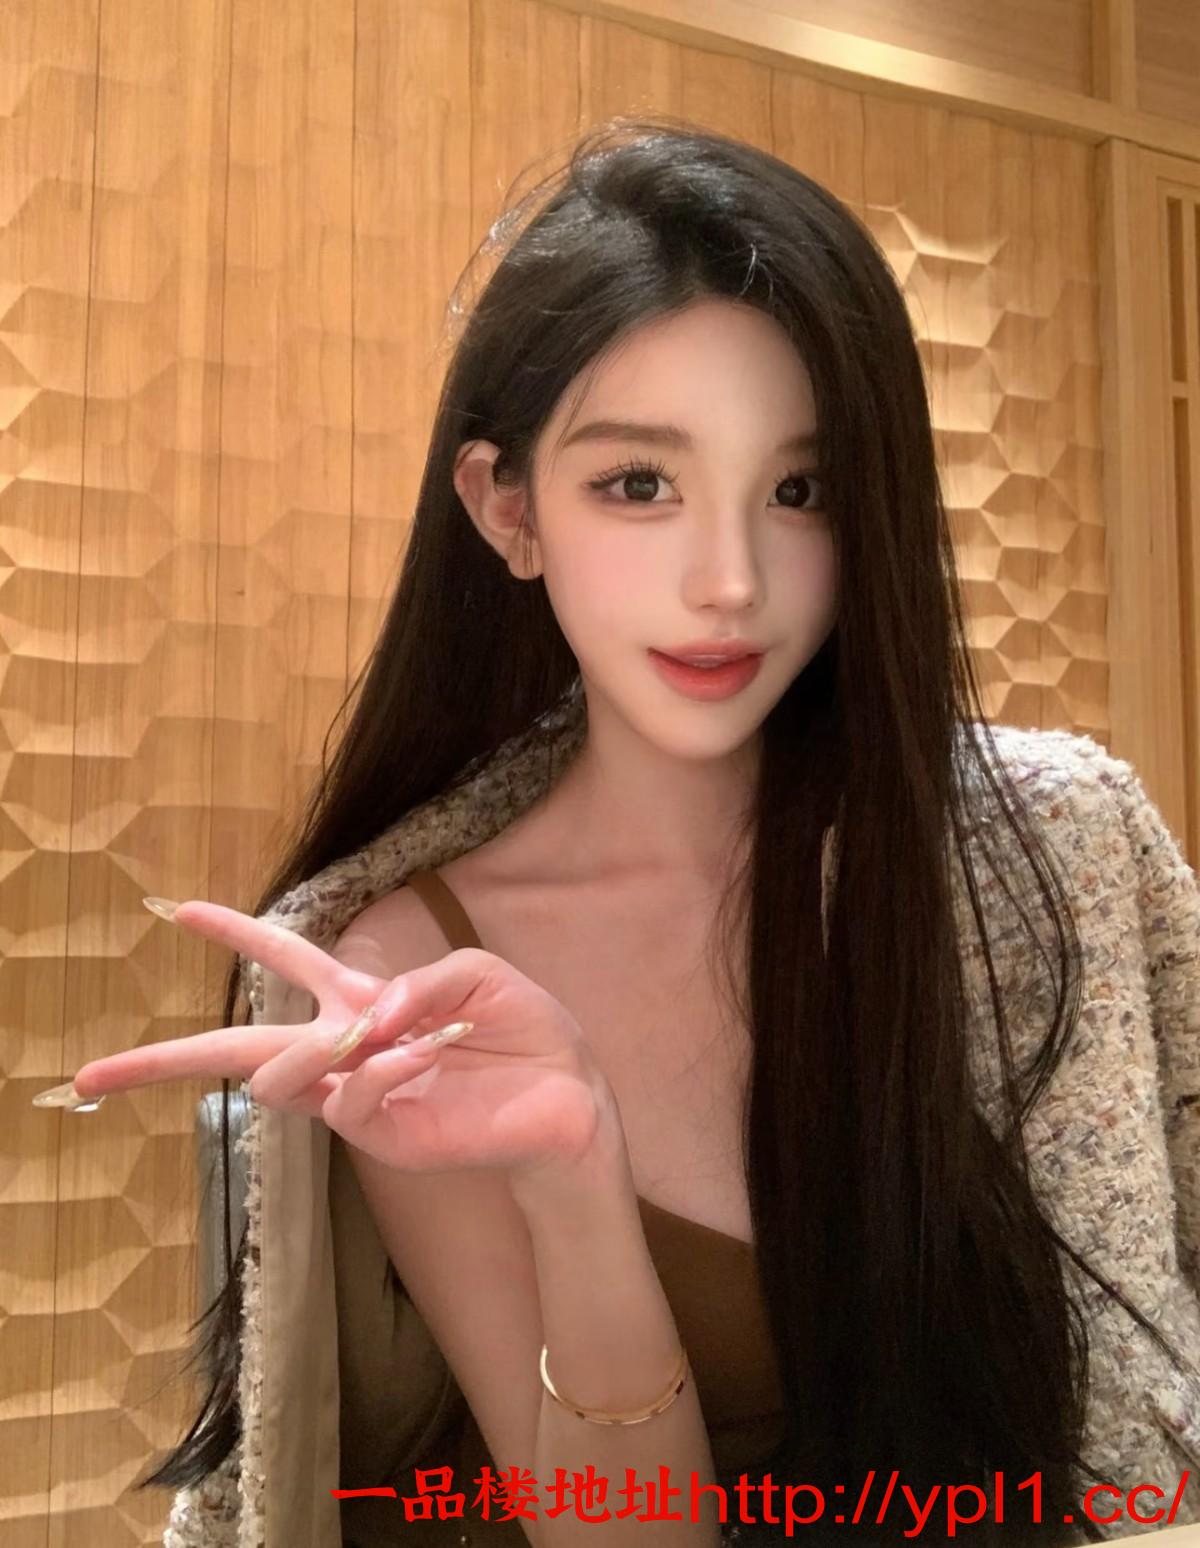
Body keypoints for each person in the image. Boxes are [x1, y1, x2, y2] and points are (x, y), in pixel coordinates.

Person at [33, 116, 1200, 1547]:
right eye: (640, 484)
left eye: (801, 491)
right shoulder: (418, 965)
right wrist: (575, 1181)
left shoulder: (1036, 862)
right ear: (507, 509)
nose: (730, 582)